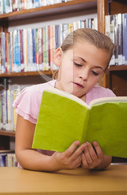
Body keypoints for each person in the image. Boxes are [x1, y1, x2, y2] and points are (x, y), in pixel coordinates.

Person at [14, 28, 115, 172]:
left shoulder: (106, 99)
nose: (84, 76)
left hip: (86, 181)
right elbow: (23, 152)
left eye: (95, 72)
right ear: (59, 56)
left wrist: (98, 161)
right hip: (42, 179)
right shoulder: (34, 95)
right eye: (78, 64)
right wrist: (53, 163)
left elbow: (107, 159)